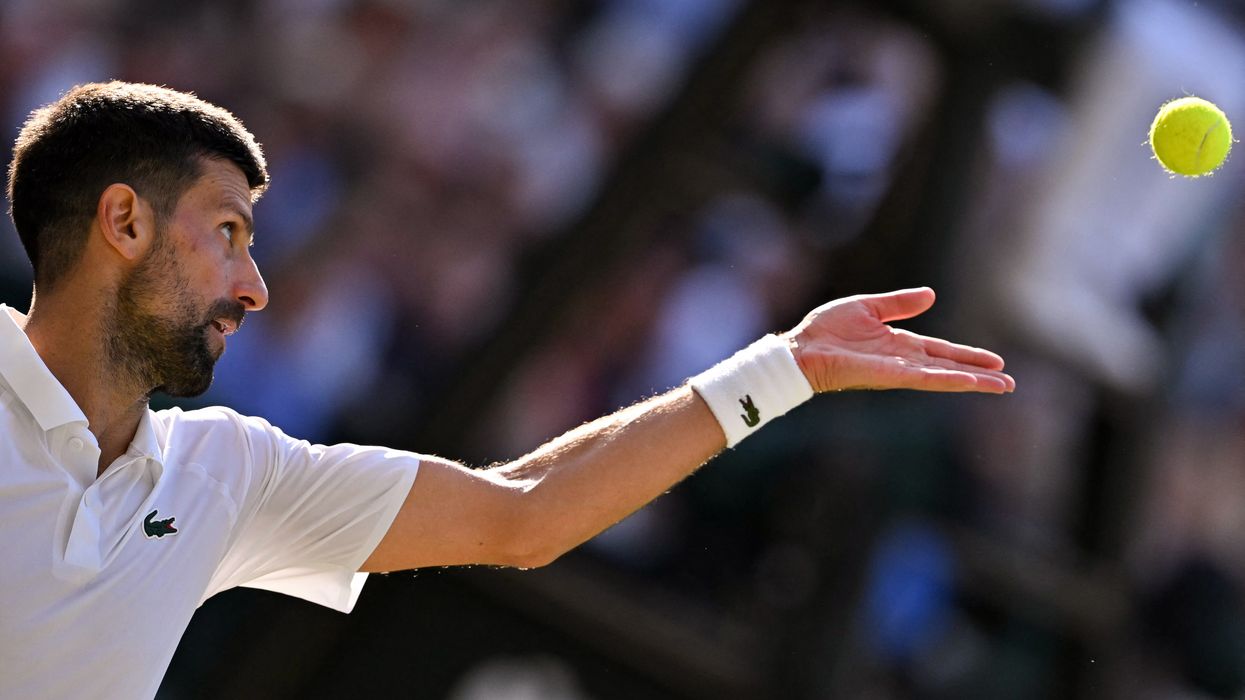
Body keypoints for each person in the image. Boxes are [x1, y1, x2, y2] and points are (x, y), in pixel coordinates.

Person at [0, 81, 1014, 699]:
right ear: (123, 224)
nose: (255, 285)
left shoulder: (228, 473)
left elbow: (524, 516)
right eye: (225, 234)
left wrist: (785, 370)